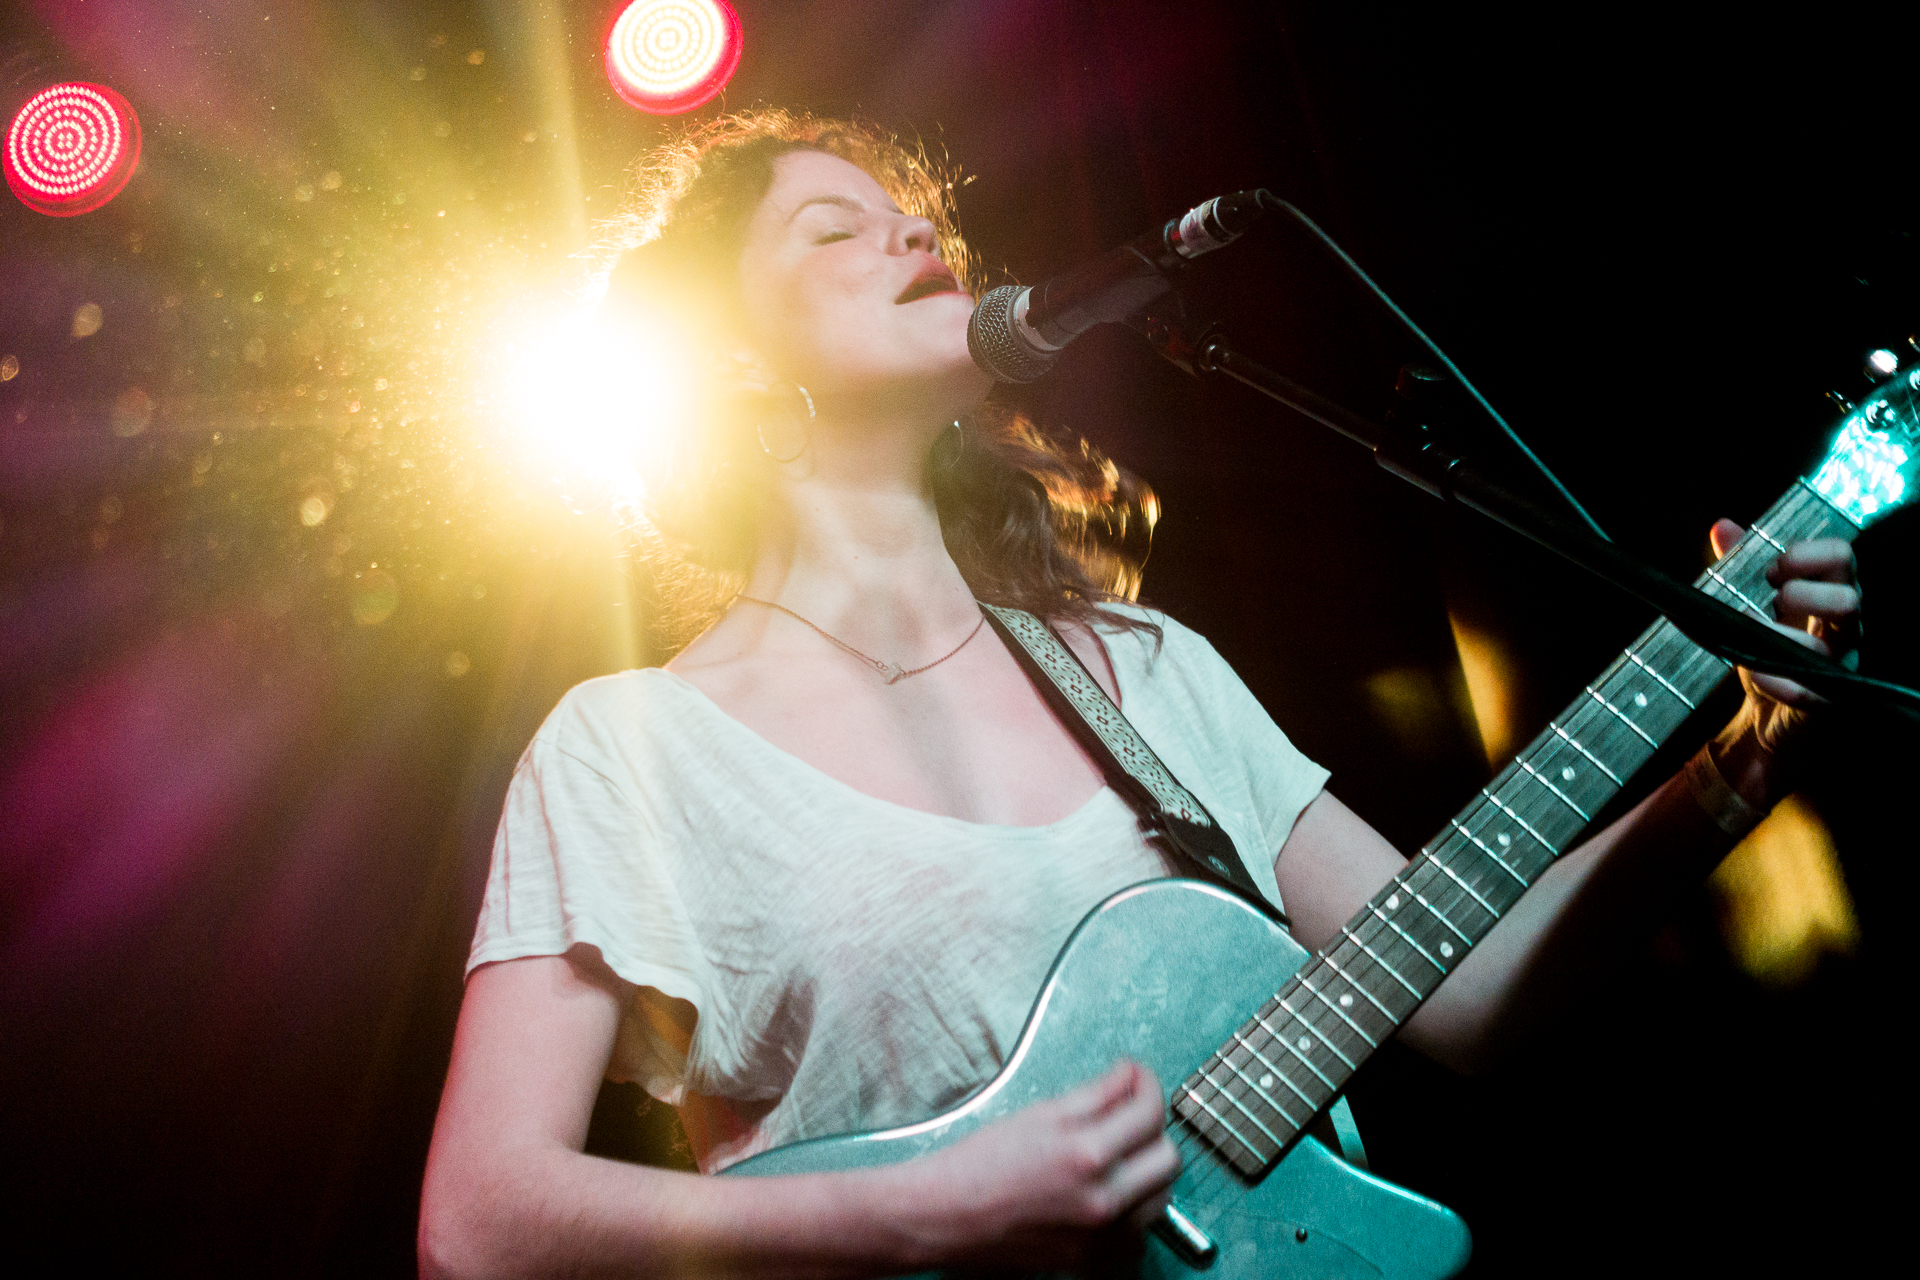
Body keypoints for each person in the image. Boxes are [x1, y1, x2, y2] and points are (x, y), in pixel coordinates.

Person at [418, 112, 1860, 1279]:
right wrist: (923, 1211)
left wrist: (1738, 768)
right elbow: (479, 1225)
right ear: (724, 359)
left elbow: (1469, 995)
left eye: (911, 213)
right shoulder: (634, 748)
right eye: (832, 225)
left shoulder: (1140, 667)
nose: (916, 232)